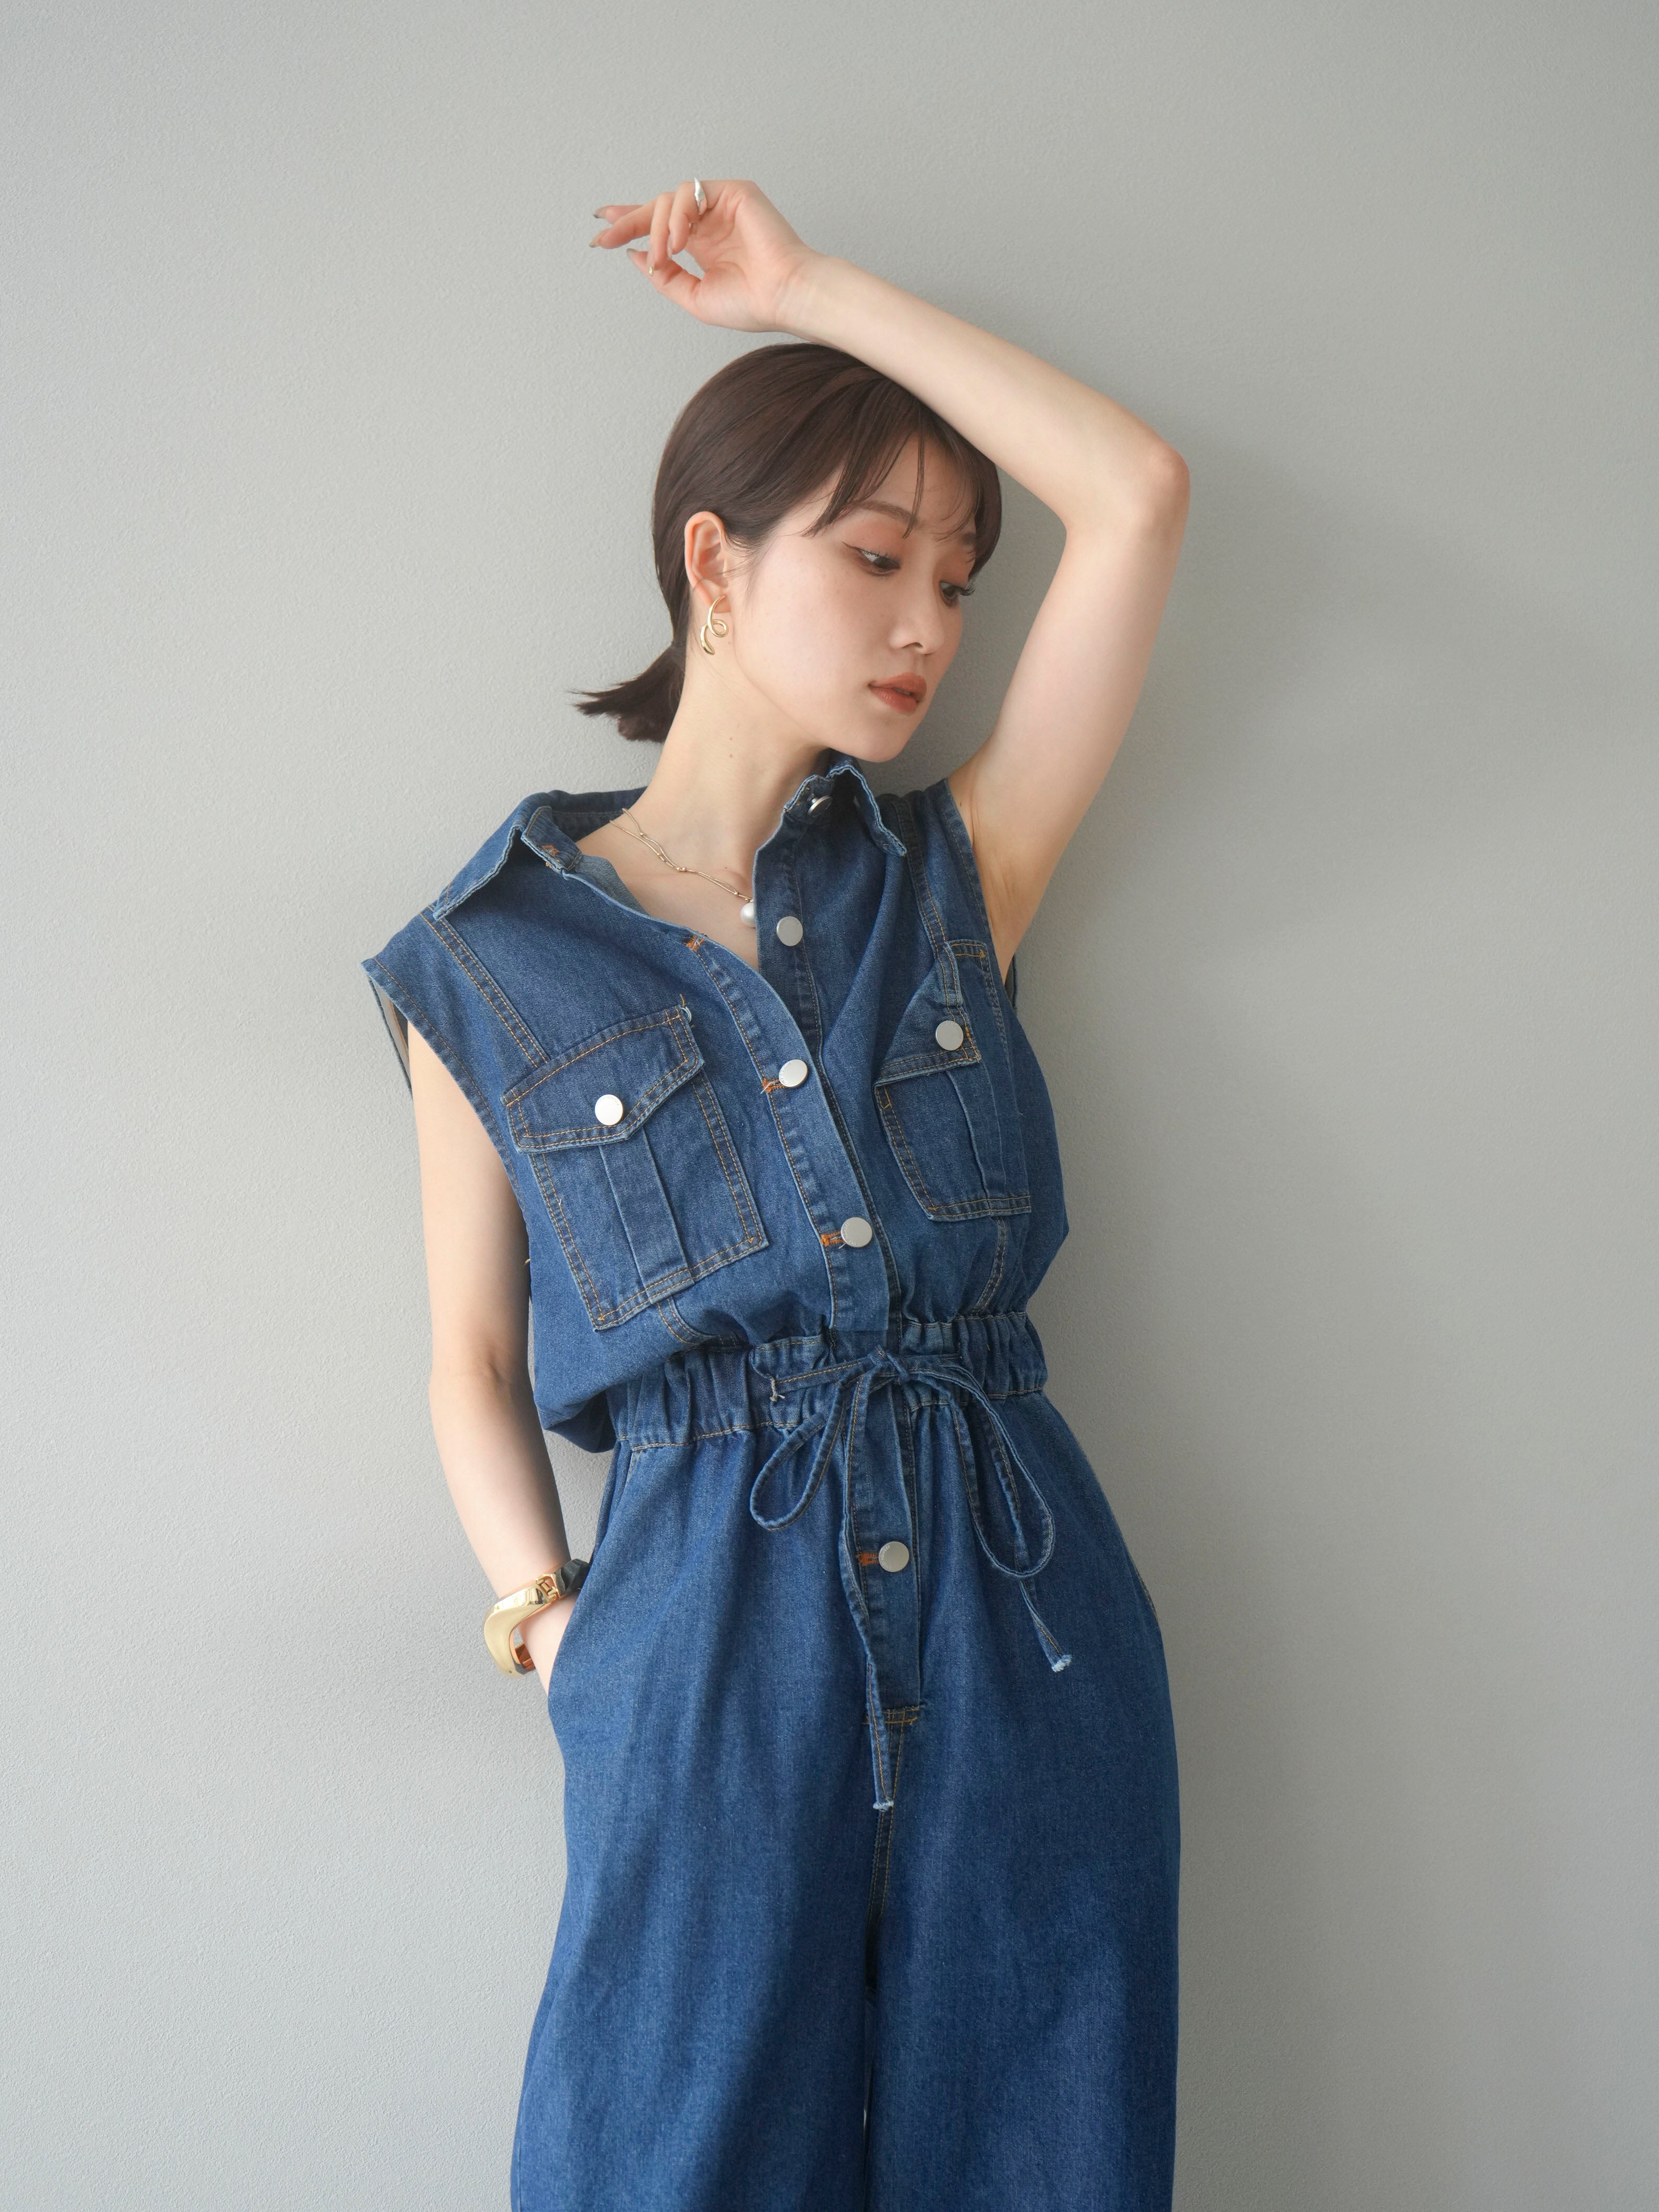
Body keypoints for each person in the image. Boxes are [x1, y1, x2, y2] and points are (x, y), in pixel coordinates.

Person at [362, 176, 1189, 2212]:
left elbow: (1138, 495)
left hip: (1022, 1606)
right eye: (877, 556)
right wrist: (558, 1632)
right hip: (703, 1632)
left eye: (960, 581)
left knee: (1043, 2155)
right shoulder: (490, 961)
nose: (930, 627)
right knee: (673, 2157)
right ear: (713, 563)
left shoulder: (953, 881)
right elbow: (472, 1356)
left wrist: (804, 287)